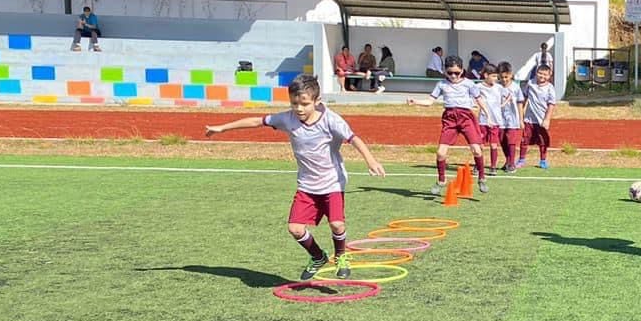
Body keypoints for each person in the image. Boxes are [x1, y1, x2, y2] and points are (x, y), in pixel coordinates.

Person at [203, 74, 385, 280]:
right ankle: (318, 257)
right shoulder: (287, 118)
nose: (298, 108)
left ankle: (341, 256)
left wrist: (370, 160)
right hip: (307, 185)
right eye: (294, 103)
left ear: (317, 101)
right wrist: (222, 128)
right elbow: (256, 121)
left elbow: (354, 139)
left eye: (304, 104)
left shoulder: (331, 120)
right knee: (295, 229)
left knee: (337, 224)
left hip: (333, 182)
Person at [408, 56, 489, 197]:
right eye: (450, 72)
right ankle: (441, 180)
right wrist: (415, 101)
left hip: (466, 117)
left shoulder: (469, 84)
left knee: (476, 149)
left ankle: (481, 178)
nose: (453, 76)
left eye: (457, 73)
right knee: (440, 152)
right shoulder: (441, 84)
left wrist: (487, 112)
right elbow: (429, 101)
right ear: (445, 71)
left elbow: (479, 98)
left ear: (462, 71)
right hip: (450, 118)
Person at [522, 62, 559, 169]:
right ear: (536, 73)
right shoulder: (530, 83)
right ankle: (521, 159)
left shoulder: (550, 88)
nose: (542, 76)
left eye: (545, 74)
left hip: (541, 119)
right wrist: (521, 115)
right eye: (540, 73)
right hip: (529, 118)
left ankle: (543, 160)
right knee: (524, 139)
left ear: (549, 75)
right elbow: (525, 98)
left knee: (543, 140)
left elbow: (551, 105)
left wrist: (547, 119)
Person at [476, 64, 505, 172]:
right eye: (493, 76)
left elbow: (504, 99)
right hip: (483, 120)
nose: (495, 79)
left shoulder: (499, 88)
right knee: (480, 144)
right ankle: (478, 165)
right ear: (486, 75)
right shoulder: (478, 87)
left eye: (496, 76)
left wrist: (504, 103)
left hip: (495, 121)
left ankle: (493, 167)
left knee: (493, 144)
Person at [496, 61, 524, 172]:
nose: (504, 79)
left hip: (513, 119)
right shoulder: (497, 87)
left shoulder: (516, 87)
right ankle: (507, 160)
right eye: (501, 77)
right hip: (500, 119)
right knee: (502, 139)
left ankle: (512, 163)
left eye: (506, 77)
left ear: (511, 75)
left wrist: (521, 119)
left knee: (511, 140)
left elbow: (520, 103)